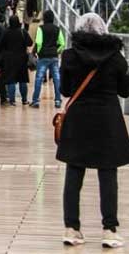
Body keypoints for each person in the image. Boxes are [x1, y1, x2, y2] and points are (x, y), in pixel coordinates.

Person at [57, 13, 129, 248]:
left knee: (74, 173)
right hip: (107, 121)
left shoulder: (69, 57)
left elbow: (67, 90)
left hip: (78, 121)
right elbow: (125, 91)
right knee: (107, 175)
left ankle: (72, 228)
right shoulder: (116, 57)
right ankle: (109, 230)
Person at [31, 10, 65, 108]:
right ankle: (58, 100)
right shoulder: (57, 29)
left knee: (39, 78)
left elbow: (39, 42)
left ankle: (35, 101)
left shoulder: (41, 28)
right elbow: (62, 43)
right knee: (56, 78)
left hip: (43, 57)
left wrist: (39, 52)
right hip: (54, 56)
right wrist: (57, 51)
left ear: (44, 18)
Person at [0, 15, 32, 106]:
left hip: (9, 60)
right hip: (22, 59)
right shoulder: (22, 31)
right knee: (23, 80)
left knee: (11, 80)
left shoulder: (6, 32)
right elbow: (30, 42)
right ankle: (24, 100)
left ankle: (12, 101)